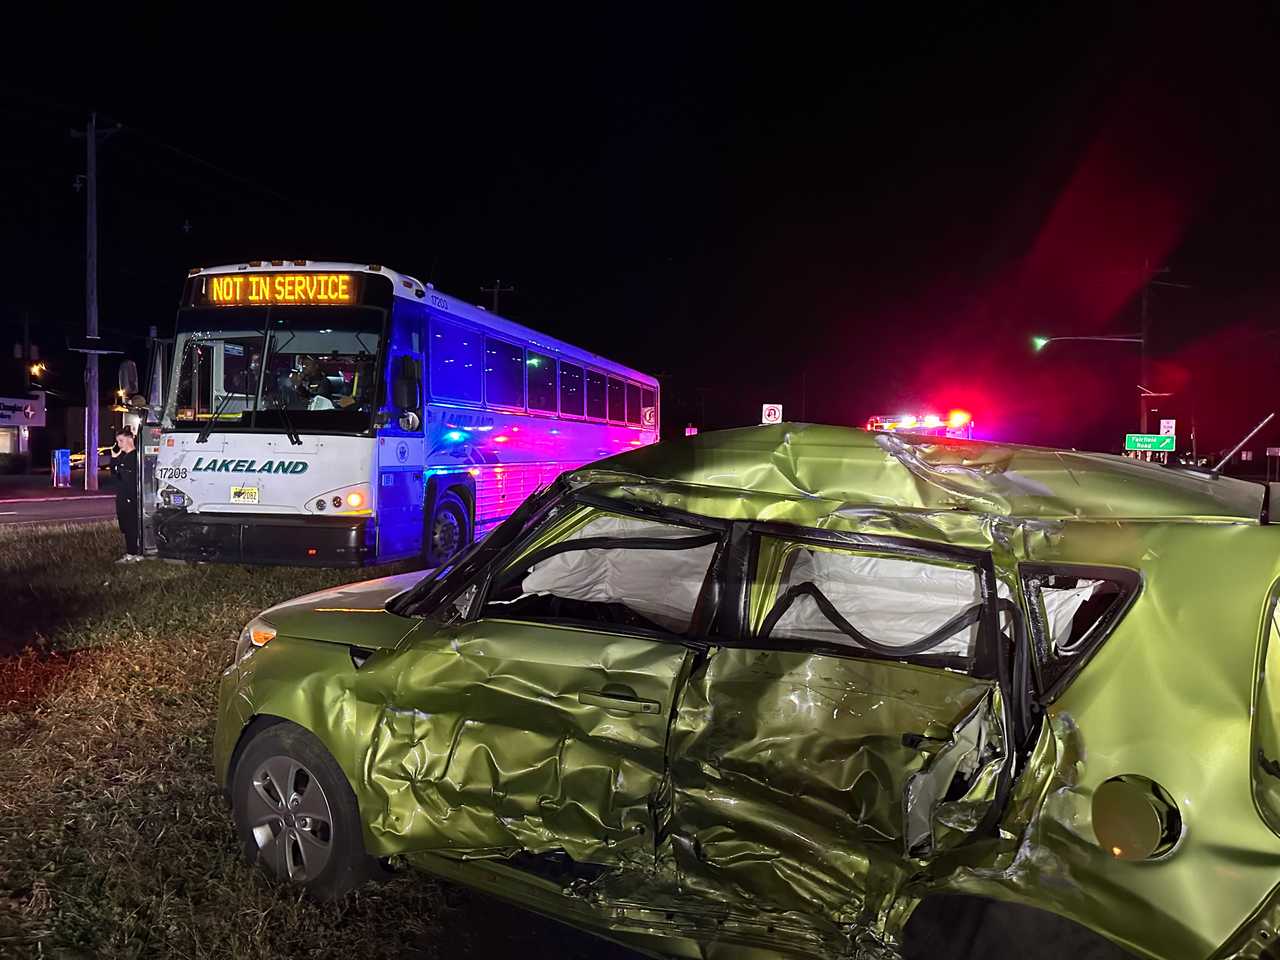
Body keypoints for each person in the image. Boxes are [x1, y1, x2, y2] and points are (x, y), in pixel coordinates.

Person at [112, 426, 142, 563]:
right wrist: (114, 458)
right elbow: (115, 475)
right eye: (118, 441)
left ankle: (133, 553)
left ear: (130, 439)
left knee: (131, 526)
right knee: (125, 526)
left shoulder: (135, 457)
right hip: (122, 497)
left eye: (121, 441)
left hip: (130, 498)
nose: (119, 444)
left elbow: (129, 479)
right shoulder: (123, 457)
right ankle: (132, 552)